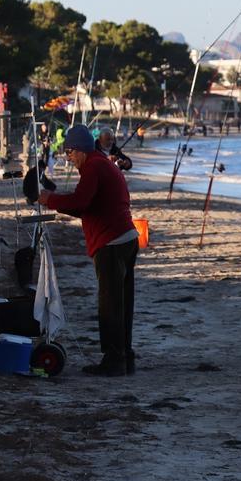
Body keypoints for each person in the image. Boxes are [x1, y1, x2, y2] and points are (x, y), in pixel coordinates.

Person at [38, 125, 139, 377]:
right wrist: (59, 202)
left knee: (111, 304)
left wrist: (49, 199)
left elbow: (80, 202)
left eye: (70, 152)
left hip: (113, 242)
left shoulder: (94, 167)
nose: (69, 158)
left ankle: (115, 361)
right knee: (122, 302)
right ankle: (125, 355)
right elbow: (84, 205)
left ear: (81, 149)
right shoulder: (101, 164)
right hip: (125, 238)